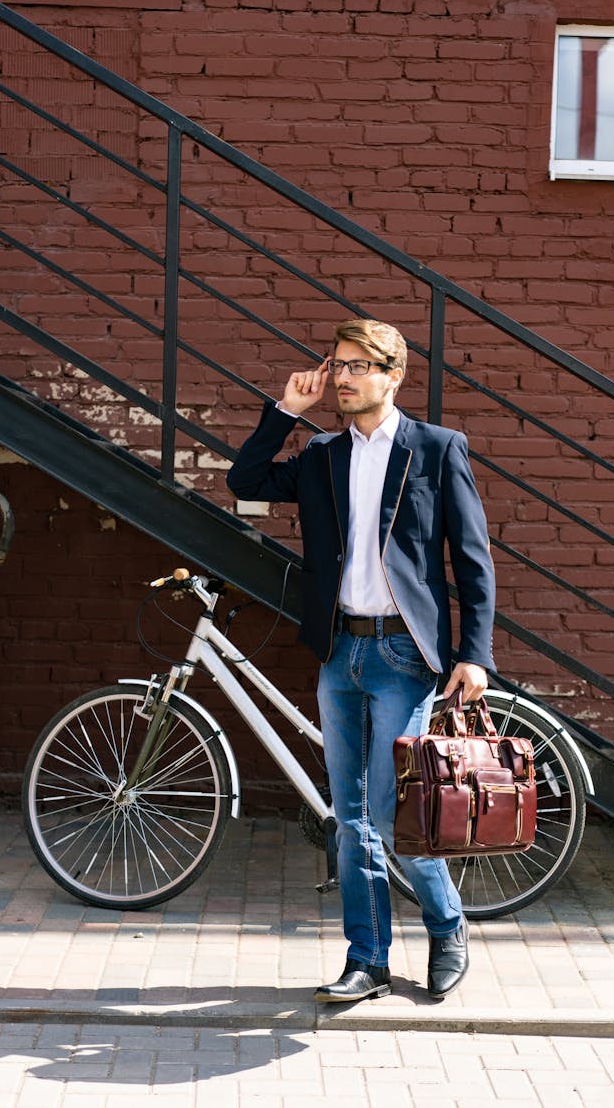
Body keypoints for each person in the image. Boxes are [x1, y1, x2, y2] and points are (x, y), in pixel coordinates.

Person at [226, 319, 496, 1002]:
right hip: (338, 649)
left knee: (391, 809)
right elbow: (244, 478)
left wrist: (475, 654)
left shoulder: (436, 450)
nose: (341, 377)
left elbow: (472, 561)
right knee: (351, 818)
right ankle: (367, 959)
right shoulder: (320, 455)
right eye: (337, 364)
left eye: (356, 366)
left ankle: (447, 925)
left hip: (405, 654)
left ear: (393, 373)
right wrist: (286, 408)